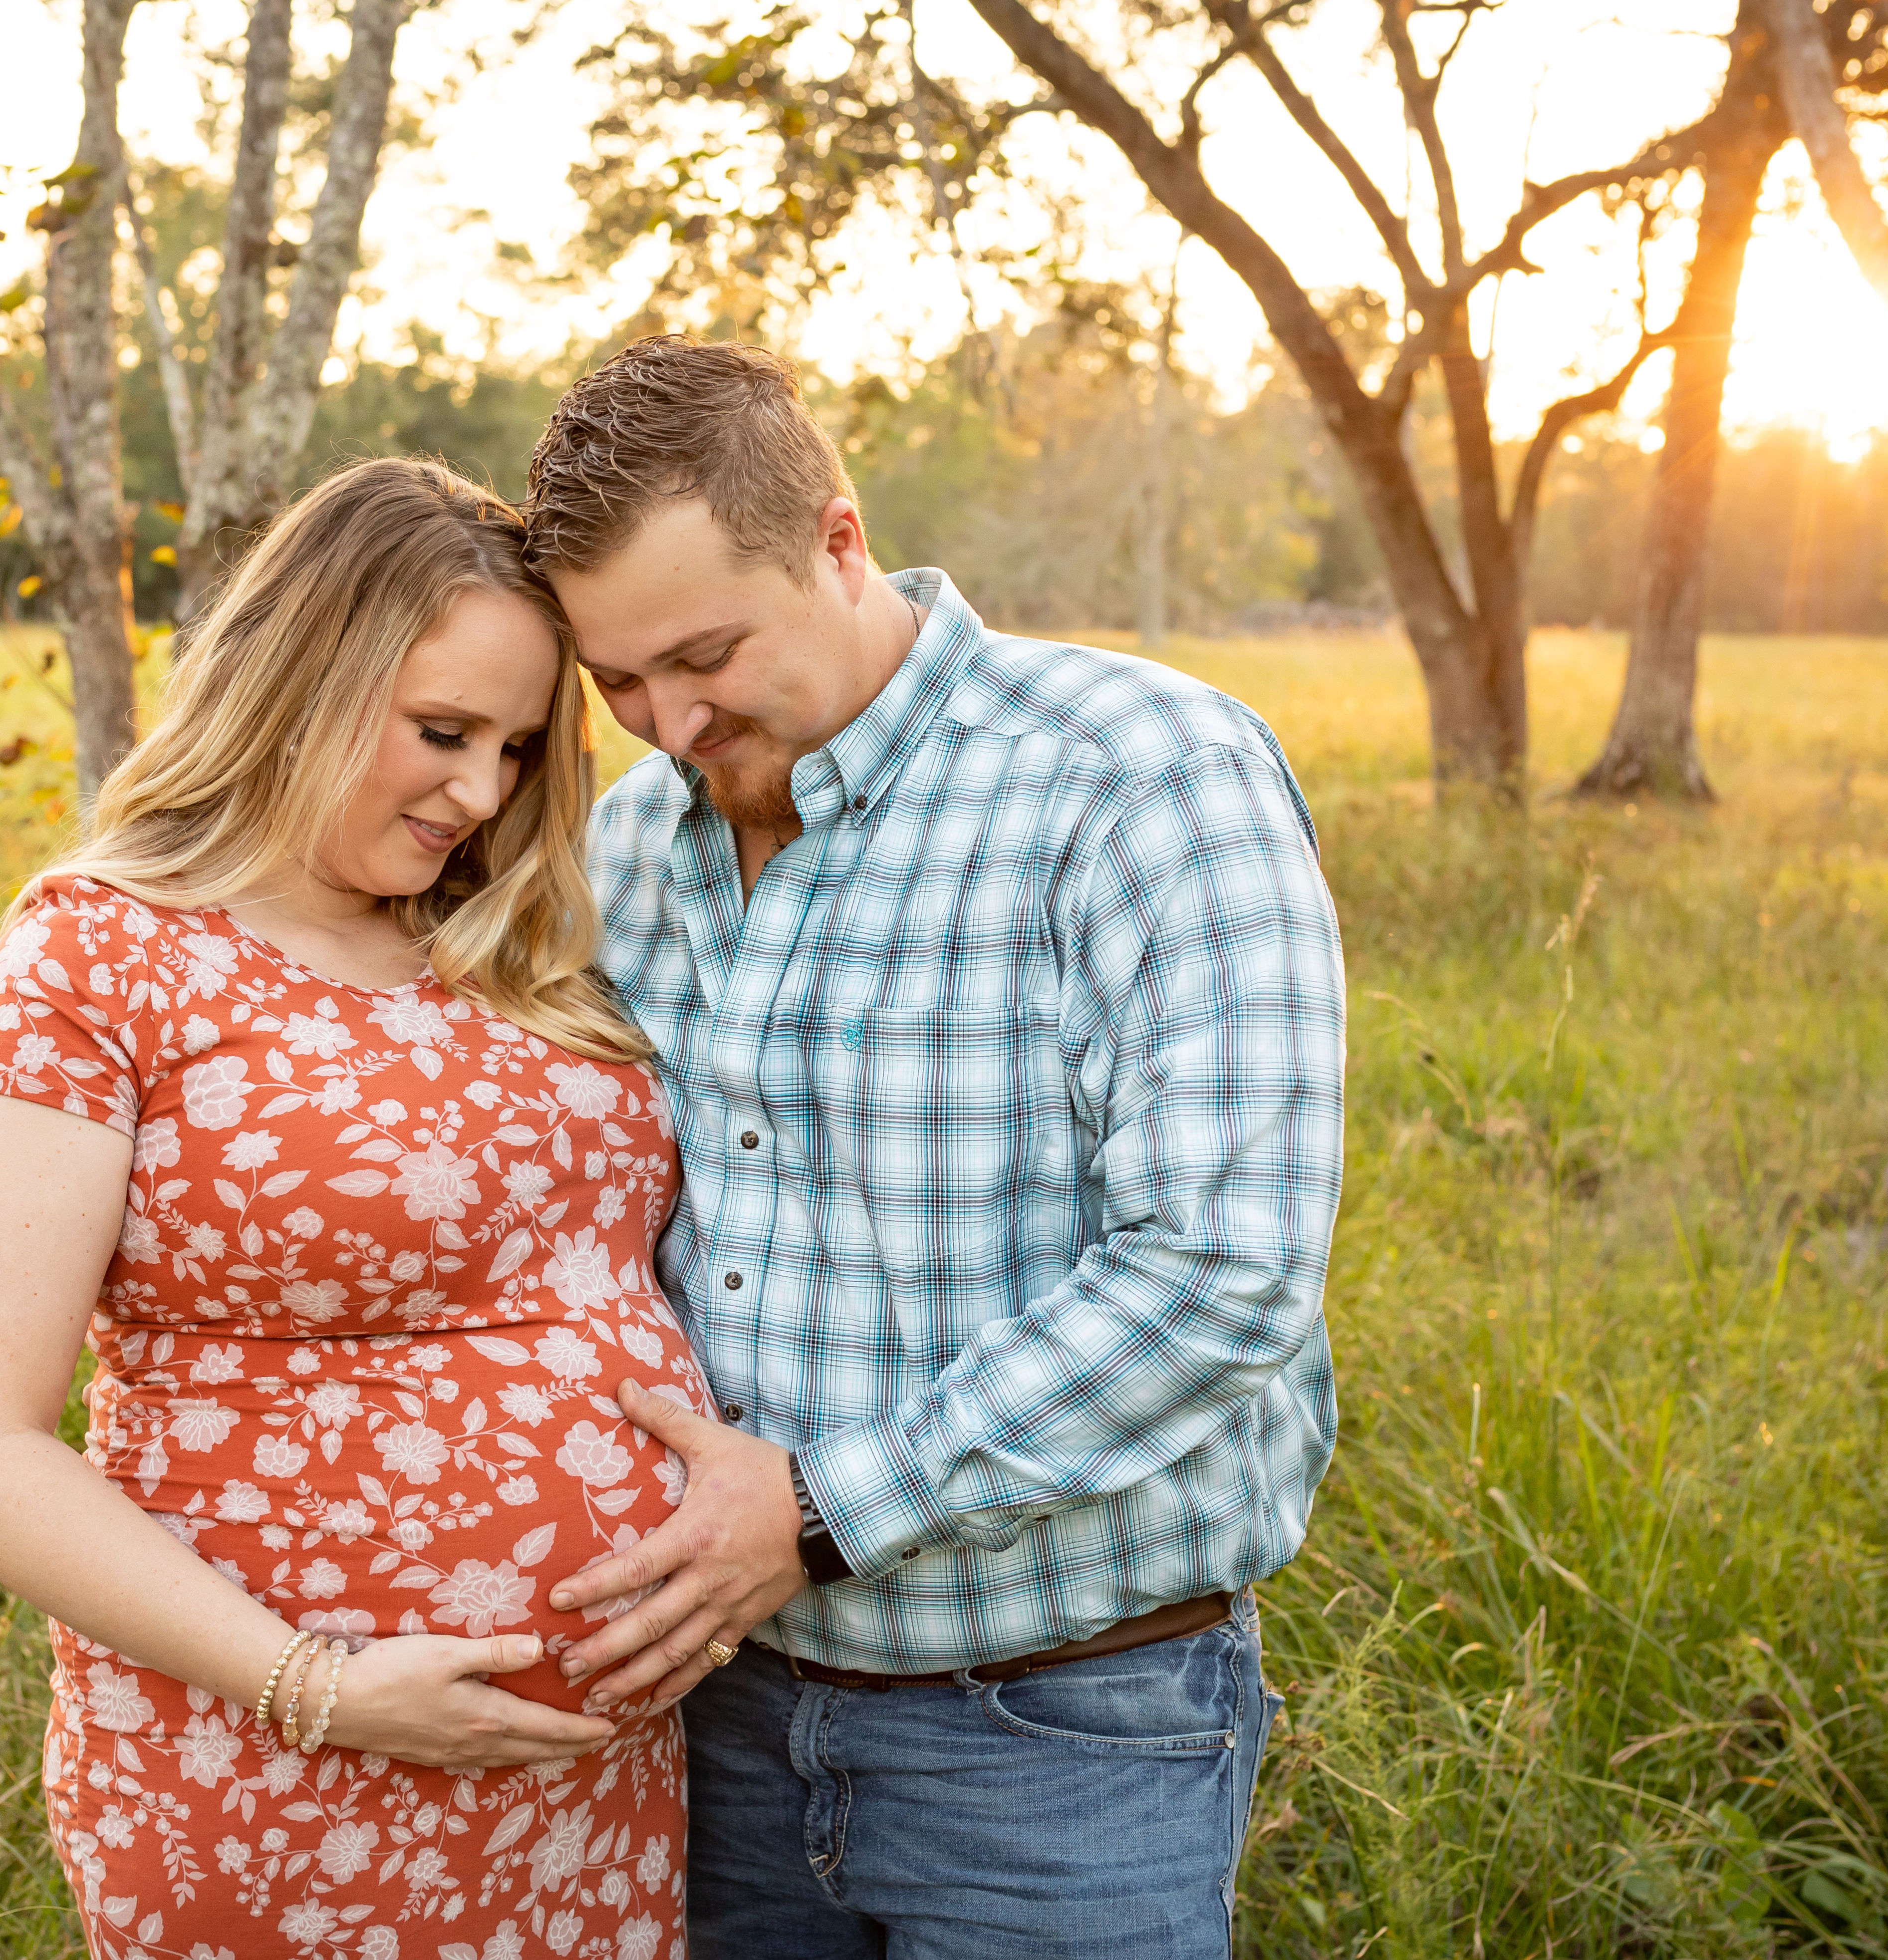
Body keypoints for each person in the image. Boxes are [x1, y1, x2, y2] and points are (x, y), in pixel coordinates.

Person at [520, 336, 1348, 1957]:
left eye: (703, 653)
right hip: (712, 1722)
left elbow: (1222, 1271)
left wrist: (821, 1512)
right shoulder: (628, 839)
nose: (665, 721)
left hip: (1059, 1734)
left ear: (837, 540)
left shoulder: (1137, 777)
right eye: (613, 682)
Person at [0, 457, 706, 1960]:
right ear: (297, 676)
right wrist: (316, 1684)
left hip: (588, 1797)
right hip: (278, 1765)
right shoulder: (100, 960)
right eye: (442, 731)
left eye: (519, 749)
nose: (478, 793)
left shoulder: (505, 942)